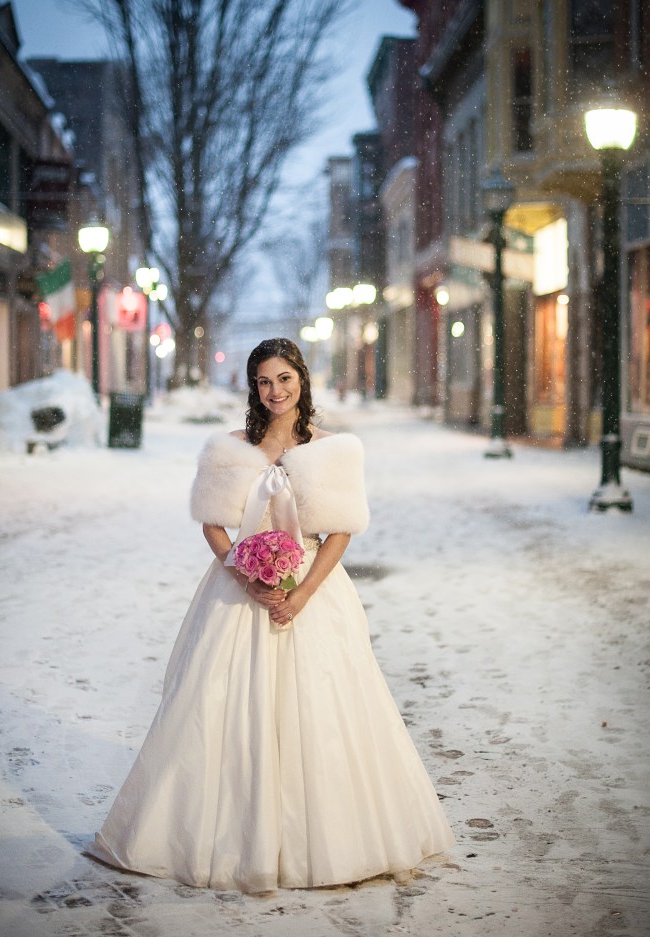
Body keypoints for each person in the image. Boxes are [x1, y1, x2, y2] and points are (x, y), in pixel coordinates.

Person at [86, 337, 454, 893]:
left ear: (301, 380)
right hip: (240, 588)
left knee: (324, 705)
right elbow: (213, 522)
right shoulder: (233, 448)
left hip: (312, 589)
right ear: (253, 388)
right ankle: (223, 829)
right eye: (263, 381)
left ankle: (326, 837)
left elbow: (340, 530)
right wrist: (246, 572)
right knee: (219, 702)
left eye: (284, 378)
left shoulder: (331, 450)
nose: (274, 390)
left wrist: (301, 593)